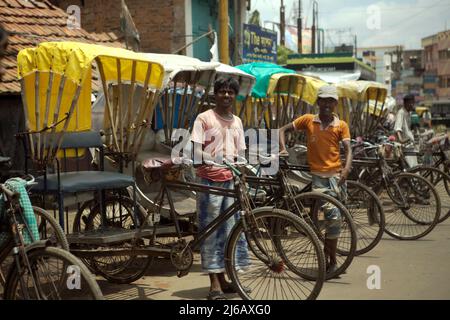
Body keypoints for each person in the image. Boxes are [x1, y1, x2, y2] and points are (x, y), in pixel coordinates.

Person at [279, 84, 352, 276]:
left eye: (330, 101)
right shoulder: (309, 120)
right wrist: (283, 149)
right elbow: (282, 130)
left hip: (336, 177)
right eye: (323, 100)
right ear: (318, 102)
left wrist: (346, 168)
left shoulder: (341, 125)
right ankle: (332, 261)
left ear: (335, 103)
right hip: (318, 177)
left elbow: (348, 149)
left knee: (335, 220)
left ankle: (329, 259)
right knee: (333, 216)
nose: (327, 104)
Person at [190, 77, 248, 300]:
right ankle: (214, 284)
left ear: (235, 95)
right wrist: (214, 158)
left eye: (230, 92)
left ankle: (225, 278)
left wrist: (242, 175)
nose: (226, 95)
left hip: (231, 184)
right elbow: (195, 151)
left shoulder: (237, 122)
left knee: (231, 232)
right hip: (209, 184)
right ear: (215, 94)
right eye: (222, 91)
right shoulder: (203, 118)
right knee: (211, 232)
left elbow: (240, 154)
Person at [394, 94, 418, 167]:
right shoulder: (401, 112)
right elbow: (397, 128)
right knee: (410, 168)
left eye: (413, 103)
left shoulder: (409, 113)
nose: (412, 105)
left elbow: (411, 128)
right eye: (411, 103)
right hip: (405, 146)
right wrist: (401, 139)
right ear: (406, 103)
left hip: (410, 144)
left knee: (414, 166)